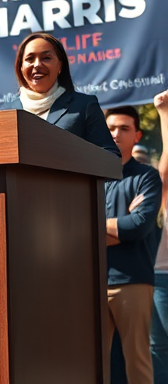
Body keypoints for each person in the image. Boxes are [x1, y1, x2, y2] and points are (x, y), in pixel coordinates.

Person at [101, 106, 162, 384]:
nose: (116, 134)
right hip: (92, 281)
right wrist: (120, 225)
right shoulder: (89, 175)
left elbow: (139, 226)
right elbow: (74, 229)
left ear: (137, 136)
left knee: (137, 362)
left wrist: (93, 225)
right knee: (93, 363)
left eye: (124, 128)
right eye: (111, 128)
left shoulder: (146, 177)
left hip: (133, 281)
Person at [10, 32, 119, 156]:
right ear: (20, 67)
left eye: (46, 58)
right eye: (29, 59)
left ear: (60, 65)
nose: (37, 64)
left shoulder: (83, 106)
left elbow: (110, 156)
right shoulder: (5, 111)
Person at [150, 90, 168, 383]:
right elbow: (164, 174)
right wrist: (164, 114)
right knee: (159, 347)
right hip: (160, 277)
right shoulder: (163, 191)